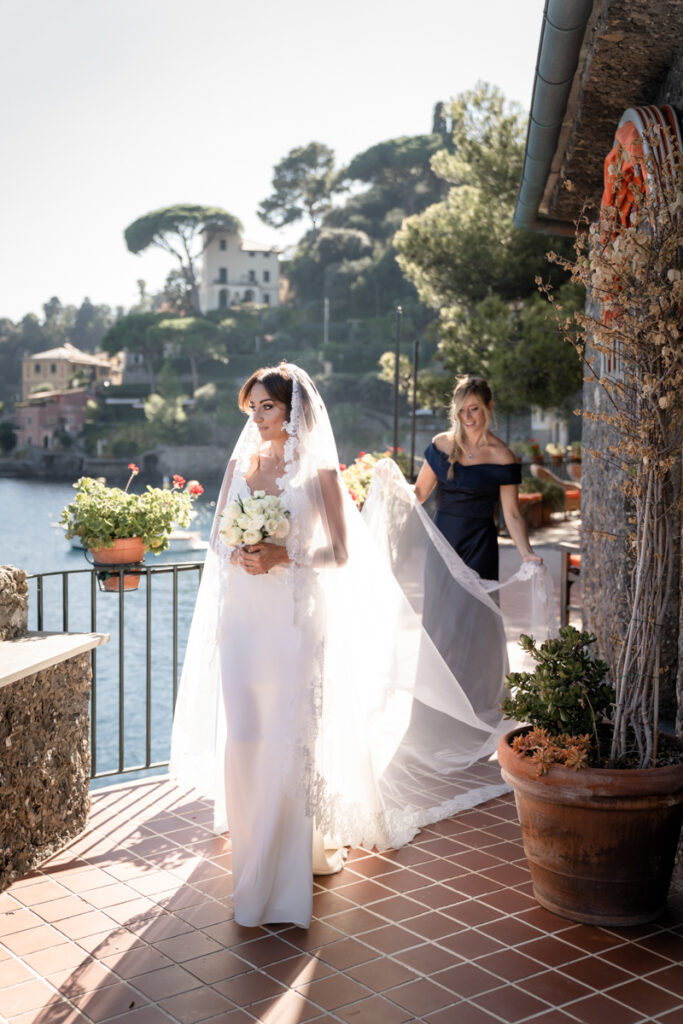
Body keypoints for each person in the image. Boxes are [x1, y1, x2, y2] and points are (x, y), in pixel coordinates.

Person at [170, 363, 552, 930]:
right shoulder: (239, 464)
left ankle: (279, 872)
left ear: (292, 409)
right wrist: (239, 553)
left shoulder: (316, 470)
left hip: (296, 620)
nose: (257, 417)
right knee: (246, 734)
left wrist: (283, 556)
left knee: (286, 738)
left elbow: (339, 556)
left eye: (267, 407)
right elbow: (218, 541)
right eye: (251, 407)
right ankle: (253, 847)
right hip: (245, 620)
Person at [414, 375, 541, 579]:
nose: (467, 417)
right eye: (462, 410)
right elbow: (418, 494)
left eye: (474, 408)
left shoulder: (502, 455)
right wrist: (392, 482)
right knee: (441, 608)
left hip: (480, 546)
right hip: (442, 544)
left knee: (476, 610)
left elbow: (513, 513)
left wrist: (526, 552)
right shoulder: (441, 444)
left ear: (489, 406)